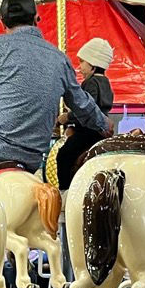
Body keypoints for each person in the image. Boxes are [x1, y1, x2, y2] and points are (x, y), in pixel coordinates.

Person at [0, 0, 107, 179]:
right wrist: (104, 123)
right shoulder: (59, 58)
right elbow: (82, 104)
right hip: (30, 159)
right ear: (36, 18)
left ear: (2, 21)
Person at [52, 36, 117, 188]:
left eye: (82, 62)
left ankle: (64, 190)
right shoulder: (106, 82)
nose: (79, 67)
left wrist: (66, 117)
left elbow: (86, 109)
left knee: (64, 154)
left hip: (88, 131)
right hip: (99, 131)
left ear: (93, 66)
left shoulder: (91, 82)